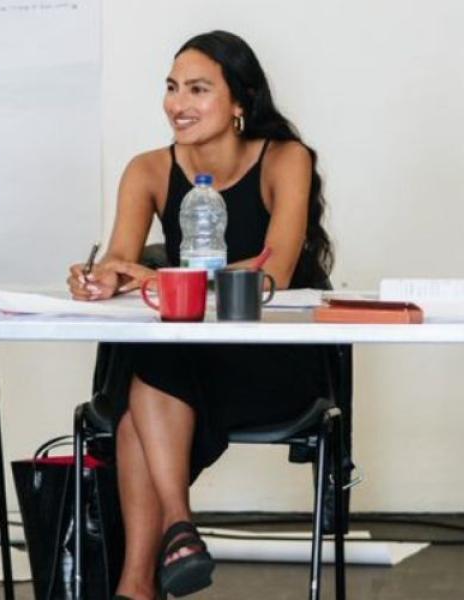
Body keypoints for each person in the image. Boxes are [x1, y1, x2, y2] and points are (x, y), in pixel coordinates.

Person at [68, 30, 333, 600]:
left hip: (269, 359)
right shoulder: (147, 169)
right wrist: (102, 279)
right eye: (170, 88)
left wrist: (162, 278)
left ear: (240, 102)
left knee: (146, 385)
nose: (177, 104)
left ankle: (144, 573)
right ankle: (177, 537)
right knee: (155, 364)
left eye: (197, 89)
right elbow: (121, 262)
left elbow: (276, 274)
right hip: (179, 362)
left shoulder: (286, 159)